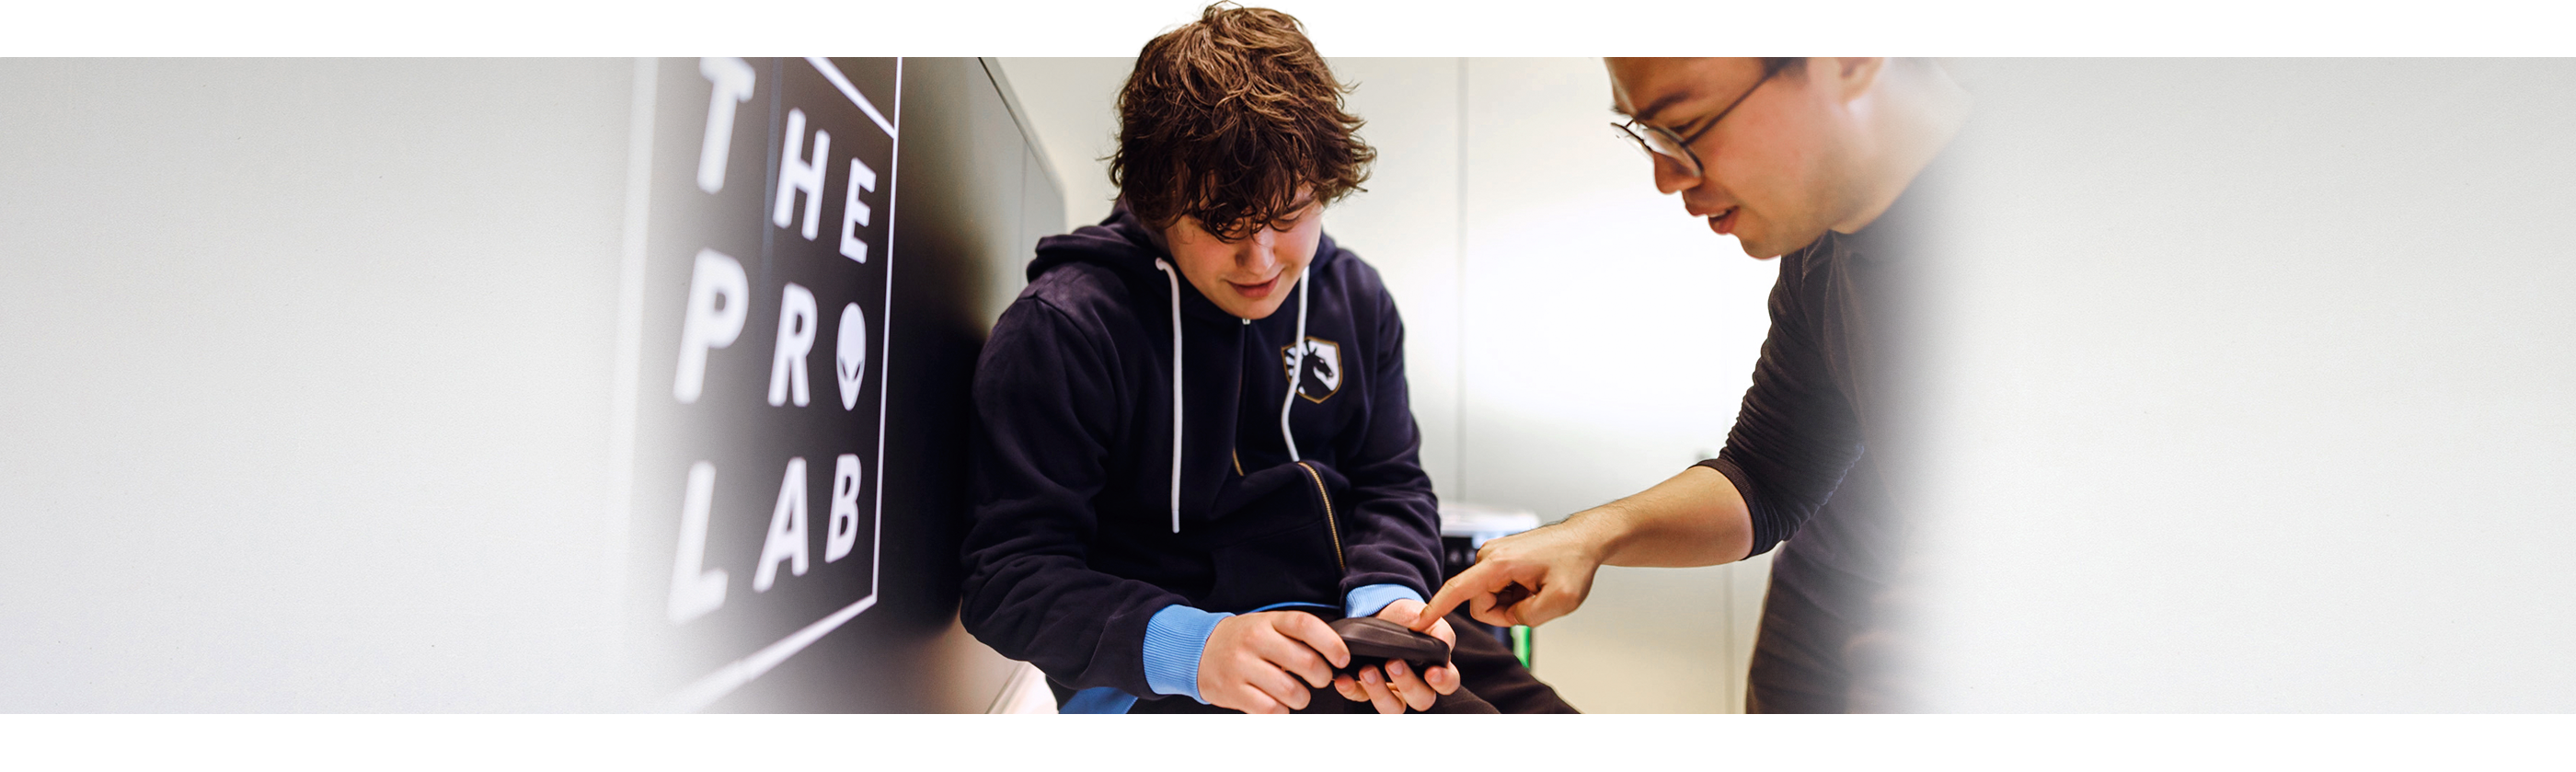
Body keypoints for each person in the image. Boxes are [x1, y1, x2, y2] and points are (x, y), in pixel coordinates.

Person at [959, 0, 1572, 714]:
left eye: (1289, 218)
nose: (1262, 260)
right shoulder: (1065, 328)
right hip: (1160, 673)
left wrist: (1390, 602)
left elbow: (1392, 484)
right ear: (1156, 201)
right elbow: (1008, 575)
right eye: (1223, 226)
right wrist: (1192, 647)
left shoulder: (1356, 298)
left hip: (1349, 629)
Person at [1412, 57, 1971, 713]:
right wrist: (1591, 536)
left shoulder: (2067, 230)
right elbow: (1765, 476)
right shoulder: (1823, 247)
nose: (1666, 176)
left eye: (1684, 126)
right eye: (1646, 134)